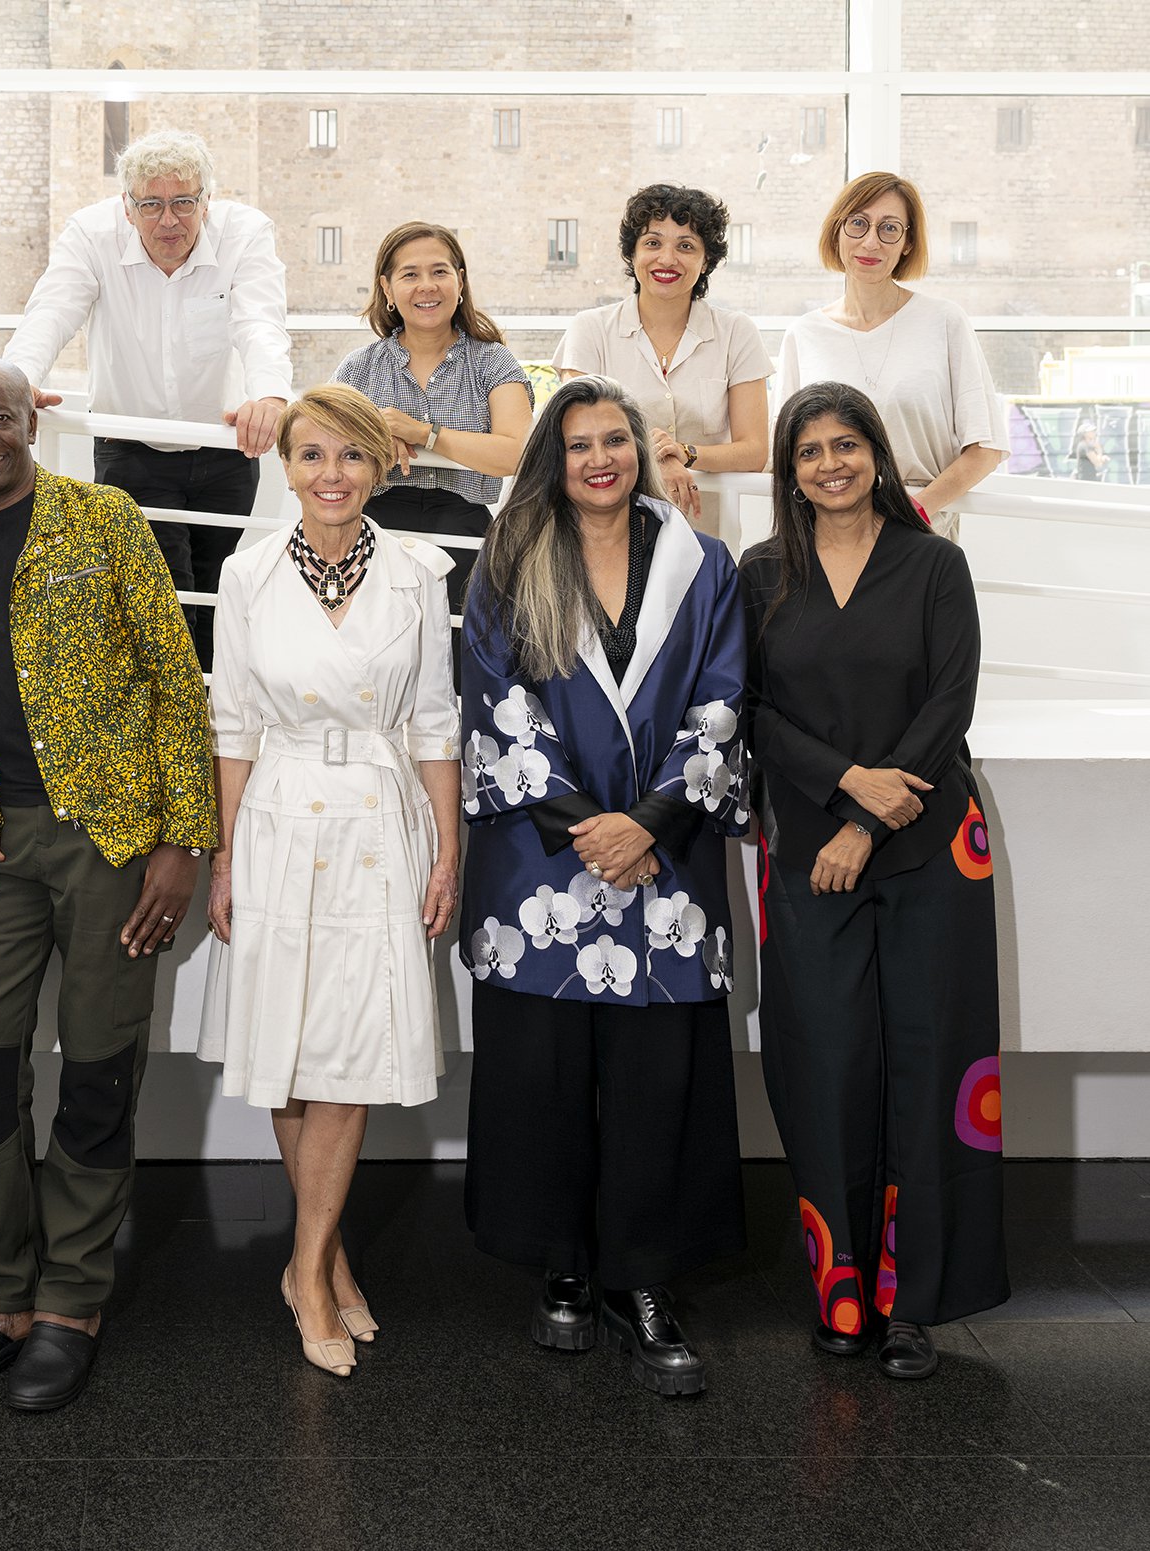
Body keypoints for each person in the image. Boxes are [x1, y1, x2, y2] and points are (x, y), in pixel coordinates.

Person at [0, 359, 217, 1412]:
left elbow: (176, 679)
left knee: (93, 1074)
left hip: (112, 843)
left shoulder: (104, 520)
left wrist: (184, 842)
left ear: (32, 422)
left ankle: (71, 1303)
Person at [457, 375, 750, 1399]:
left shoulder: (701, 564)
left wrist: (651, 822)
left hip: (662, 859)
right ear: (554, 455)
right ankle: (565, 1267)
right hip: (546, 861)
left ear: (640, 448)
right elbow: (497, 710)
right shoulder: (507, 560)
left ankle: (645, 1280)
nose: (597, 458)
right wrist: (589, 829)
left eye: (614, 439)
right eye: (577, 442)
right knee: (539, 1081)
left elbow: (722, 703)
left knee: (654, 1083)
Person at [740, 381, 1009, 1380]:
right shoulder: (760, 570)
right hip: (808, 851)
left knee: (928, 1064)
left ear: (877, 455)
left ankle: (913, 1304)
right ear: (789, 472)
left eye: (846, 445)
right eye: (808, 452)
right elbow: (751, 711)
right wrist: (845, 791)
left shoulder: (934, 563)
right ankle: (841, 1291)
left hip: (932, 842)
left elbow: (951, 699)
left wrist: (868, 814)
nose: (829, 465)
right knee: (824, 1064)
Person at [197, 385, 461, 1378]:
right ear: (285, 465)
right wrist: (224, 857)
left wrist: (448, 848)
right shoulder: (247, 571)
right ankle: (325, 1258)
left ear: (378, 464)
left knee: (345, 1052)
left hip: (376, 822)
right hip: (275, 817)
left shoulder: (417, 573)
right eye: (310, 455)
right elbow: (232, 728)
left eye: (349, 456)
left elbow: (434, 720)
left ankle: (304, 1267)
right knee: (292, 1046)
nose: (330, 475)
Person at [2, 128, 294, 668]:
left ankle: (205, 736)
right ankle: (165, 738)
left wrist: (271, 396)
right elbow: (50, 313)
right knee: (161, 606)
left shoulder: (246, 233)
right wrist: (15, 384)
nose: (168, 220)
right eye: (151, 204)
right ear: (127, 207)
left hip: (226, 450)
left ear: (207, 202)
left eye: (184, 202)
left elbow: (260, 322)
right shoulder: (92, 233)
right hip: (130, 452)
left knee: (214, 598)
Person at [777, 172, 1006, 537]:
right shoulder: (804, 335)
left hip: (919, 528)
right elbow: (787, 455)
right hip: (828, 532)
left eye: (889, 228)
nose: (871, 242)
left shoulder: (944, 321)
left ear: (908, 243)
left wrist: (915, 511)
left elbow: (986, 449)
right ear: (836, 232)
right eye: (858, 224)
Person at [332, 221, 534, 631]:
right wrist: (374, 439)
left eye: (439, 271)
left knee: (459, 655)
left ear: (460, 282)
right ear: (387, 289)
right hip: (372, 523)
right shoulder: (358, 368)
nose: (427, 286)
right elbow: (326, 454)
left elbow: (516, 453)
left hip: (464, 528)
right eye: (410, 274)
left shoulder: (493, 361)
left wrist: (422, 433)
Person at [553, 184, 769, 547]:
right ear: (632, 254)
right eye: (653, 243)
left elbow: (753, 451)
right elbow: (577, 439)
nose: (667, 259)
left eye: (686, 246)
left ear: (706, 262)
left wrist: (684, 453)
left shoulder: (737, 333)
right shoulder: (589, 330)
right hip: (606, 530)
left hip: (706, 532)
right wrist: (660, 459)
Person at [1072, 417, 1109, 482]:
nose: (1094, 432)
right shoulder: (1085, 446)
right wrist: (1099, 450)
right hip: (1086, 480)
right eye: (1091, 431)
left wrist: (1102, 458)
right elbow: (1098, 464)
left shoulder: (1084, 445)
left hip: (1087, 479)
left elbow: (1095, 460)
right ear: (1085, 434)